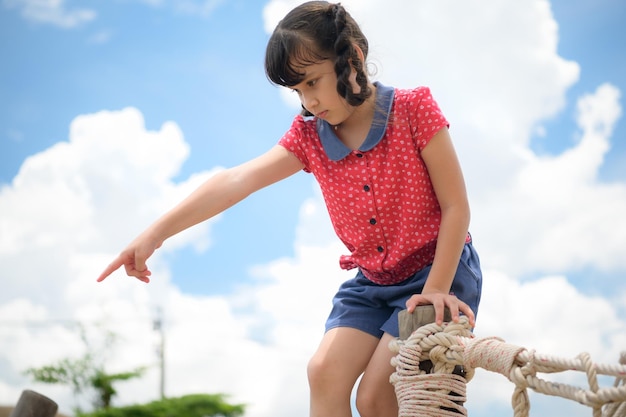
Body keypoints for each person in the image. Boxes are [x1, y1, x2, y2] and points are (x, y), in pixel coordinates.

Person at [97, 2, 483, 416]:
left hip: (437, 271)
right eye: (298, 90)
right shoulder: (310, 137)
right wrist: (154, 234)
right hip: (372, 283)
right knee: (323, 371)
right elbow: (235, 180)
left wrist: (436, 290)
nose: (309, 100)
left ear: (351, 57)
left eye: (313, 82)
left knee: (377, 396)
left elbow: (456, 206)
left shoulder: (412, 109)